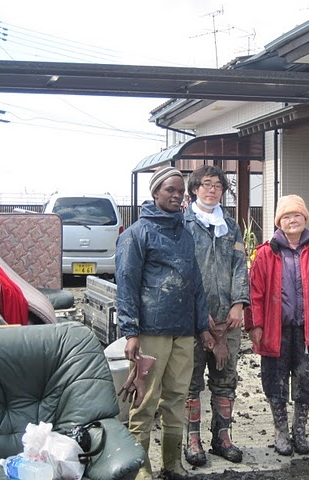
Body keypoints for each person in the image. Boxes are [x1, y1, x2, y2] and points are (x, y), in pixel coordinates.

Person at [116, 166, 215, 480]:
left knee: (176, 398)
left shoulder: (185, 235)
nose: (176, 195)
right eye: (169, 190)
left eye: (180, 190)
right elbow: (127, 284)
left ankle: (171, 464)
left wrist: (203, 327)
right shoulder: (136, 234)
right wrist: (131, 332)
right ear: (155, 193)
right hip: (151, 331)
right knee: (146, 400)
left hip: (183, 332)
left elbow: (195, 284)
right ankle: (140, 468)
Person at [245, 194, 309, 456]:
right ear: (279, 222)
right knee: (275, 381)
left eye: (297, 215)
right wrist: (255, 325)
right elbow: (255, 293)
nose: (292, 220)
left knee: (305, 381)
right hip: (275, 330)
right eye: (286, 216)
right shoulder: (265, 253)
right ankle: (281, 431)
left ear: (305, 218)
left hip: (308, 330)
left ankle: (300, 431)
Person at [183, 165, 250, 466]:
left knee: (226, 379)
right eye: (205, 184)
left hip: (228, 320)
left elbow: (240, 265)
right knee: (190, 381)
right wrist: (198, 312)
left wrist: (239, 303)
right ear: (194, 188)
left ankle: (222, 436)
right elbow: (182, 271)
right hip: (192, 321)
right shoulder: (183, 224)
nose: (212, 190)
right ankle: (192, 439)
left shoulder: (231, 227)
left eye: (218, 186)